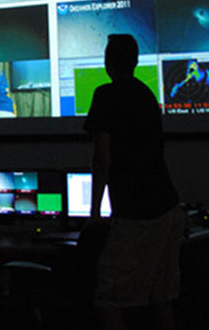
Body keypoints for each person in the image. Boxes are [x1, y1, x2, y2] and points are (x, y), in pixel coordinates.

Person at [83, 34, 185, 330]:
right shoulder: (146, 94)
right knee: (160, 296)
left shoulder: (105, 95)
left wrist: (94, 213)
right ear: (136, 61)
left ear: (107, 62)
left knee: (108, 297)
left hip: (137, 213)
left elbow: (102, 159)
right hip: (168, 207)